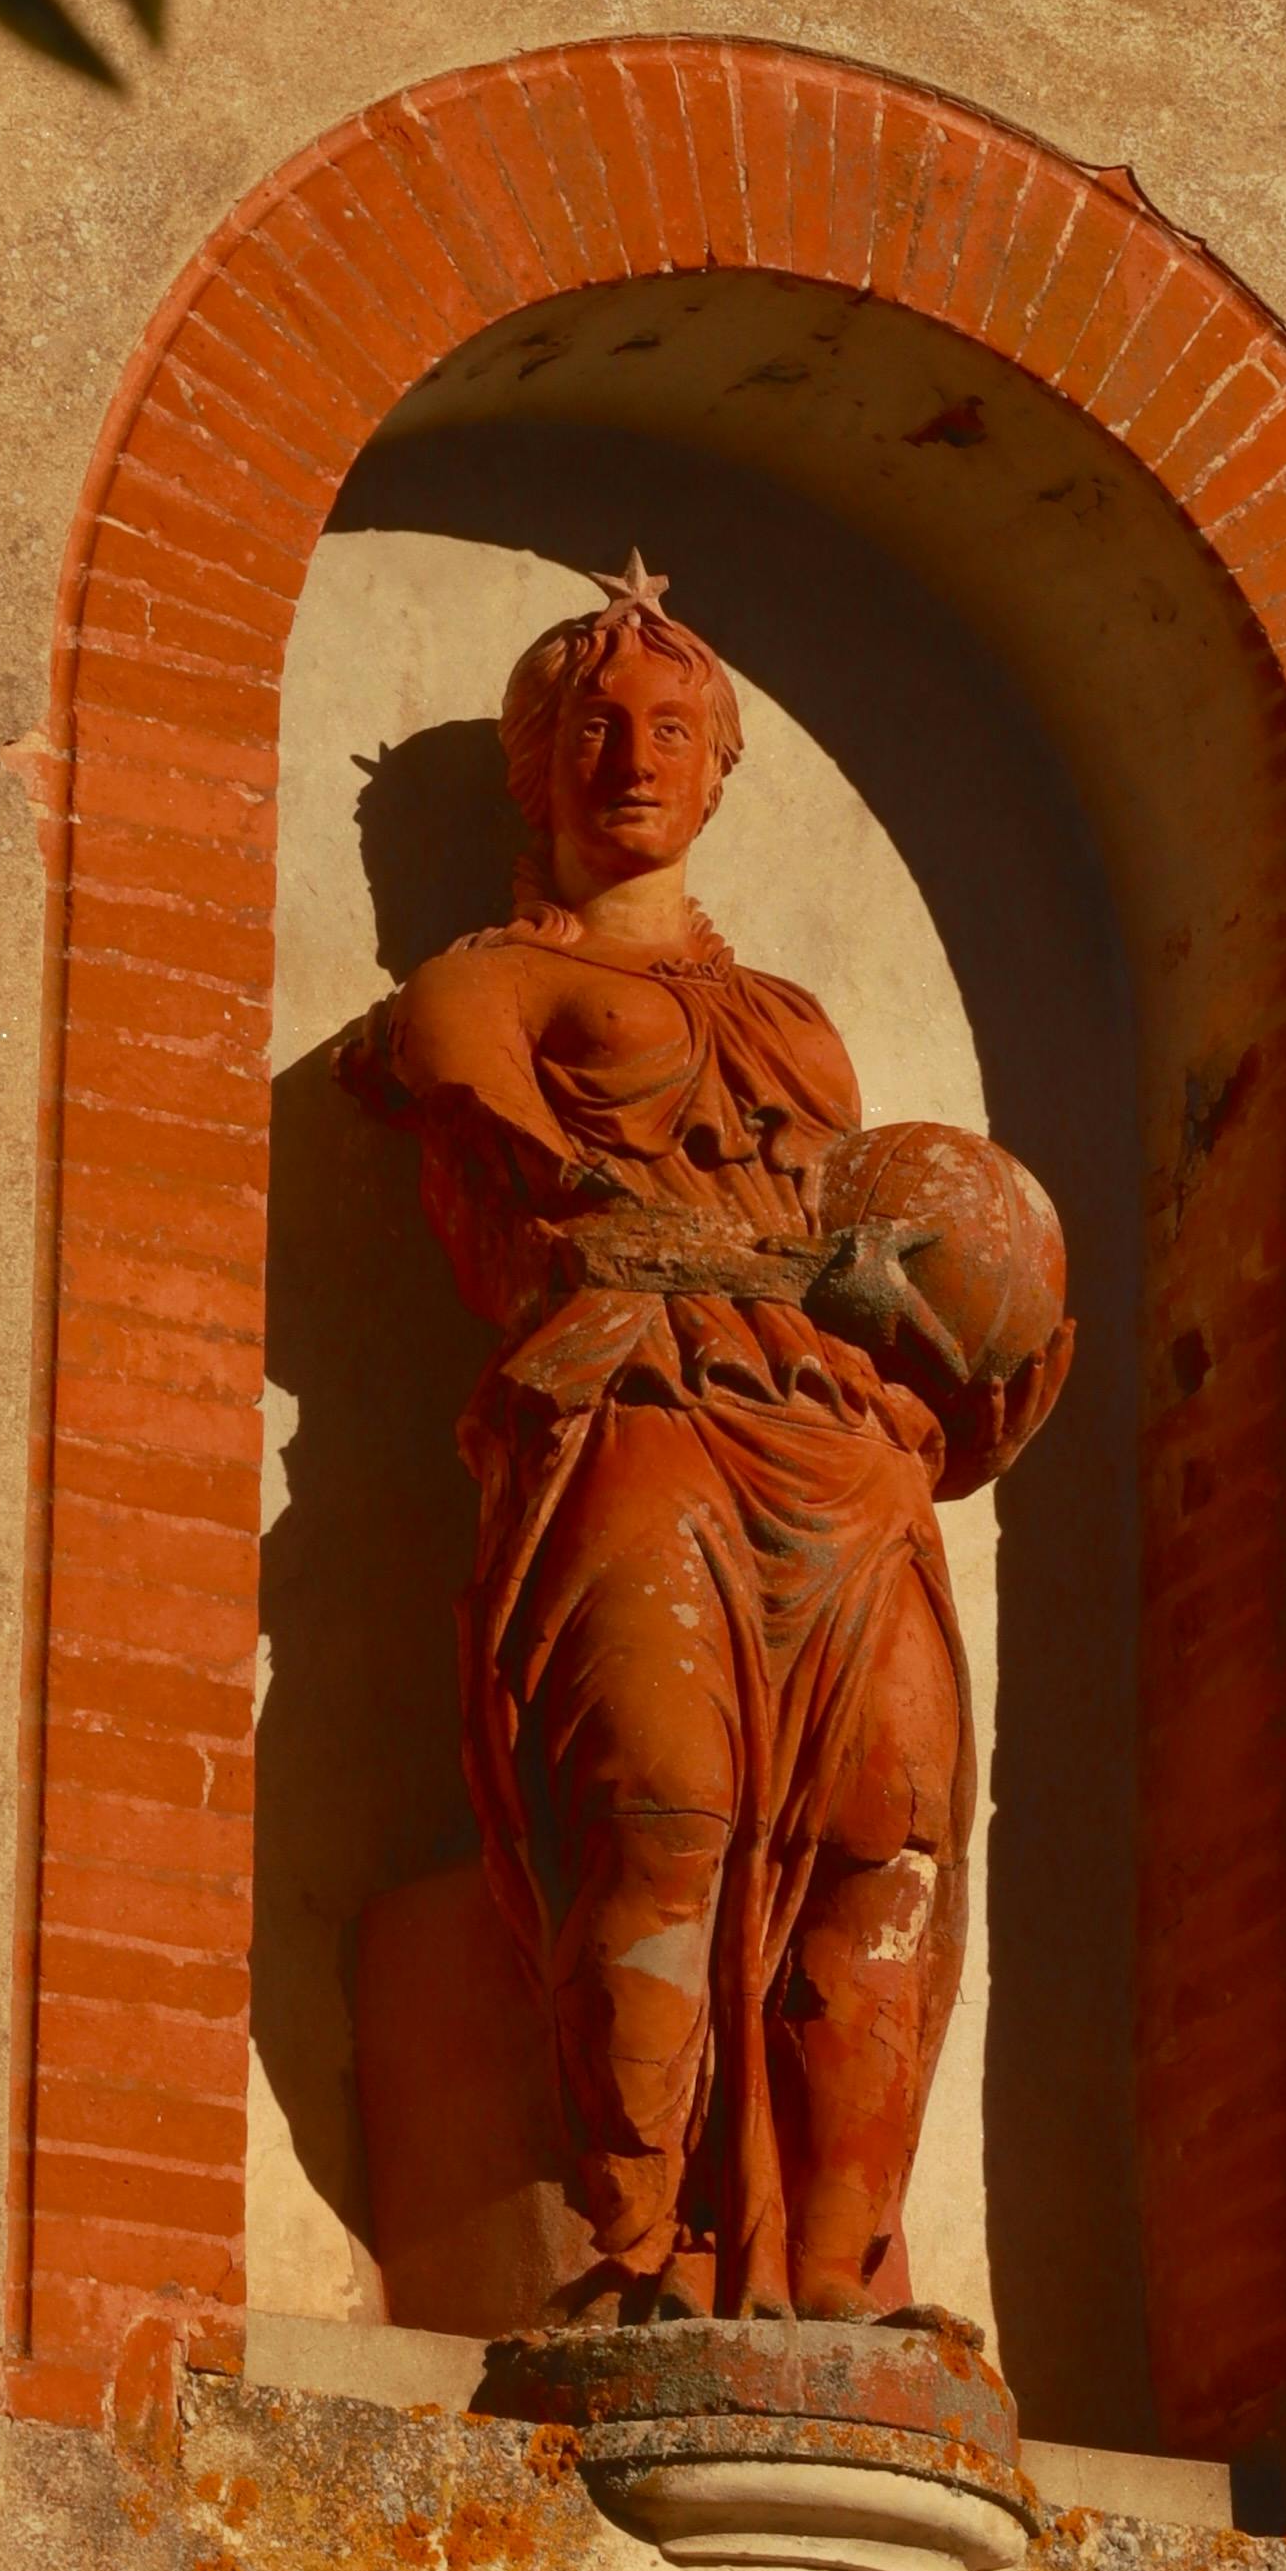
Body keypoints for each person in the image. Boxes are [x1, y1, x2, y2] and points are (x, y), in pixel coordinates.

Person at [340, 566, 1064, 2323]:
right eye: (592, 726)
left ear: (723, 768)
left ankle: (841, 2280)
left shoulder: (795, 1022)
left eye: (673, 728)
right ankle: (642, 2243)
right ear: (535, 767)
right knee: (662, 1810)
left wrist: (956, 1314)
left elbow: (870, 1229)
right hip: (639, 1407)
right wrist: (720, 1251)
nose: (633, 757)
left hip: (839, 1441)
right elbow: (488, 1119)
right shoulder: (491, 982)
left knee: (883, 1840)